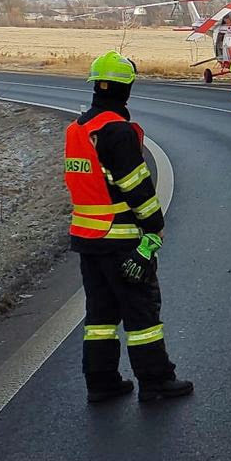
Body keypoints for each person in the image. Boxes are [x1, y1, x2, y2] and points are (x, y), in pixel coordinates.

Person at [64, 51, 193, 403]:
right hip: (121, 239)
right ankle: (156, 382)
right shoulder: (116, 131)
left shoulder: (78, 130)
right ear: (127, 88)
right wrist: (155, 225)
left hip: (86, 239)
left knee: (100, 316)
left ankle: (101, 382)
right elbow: (136, 185)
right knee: (142, 313)